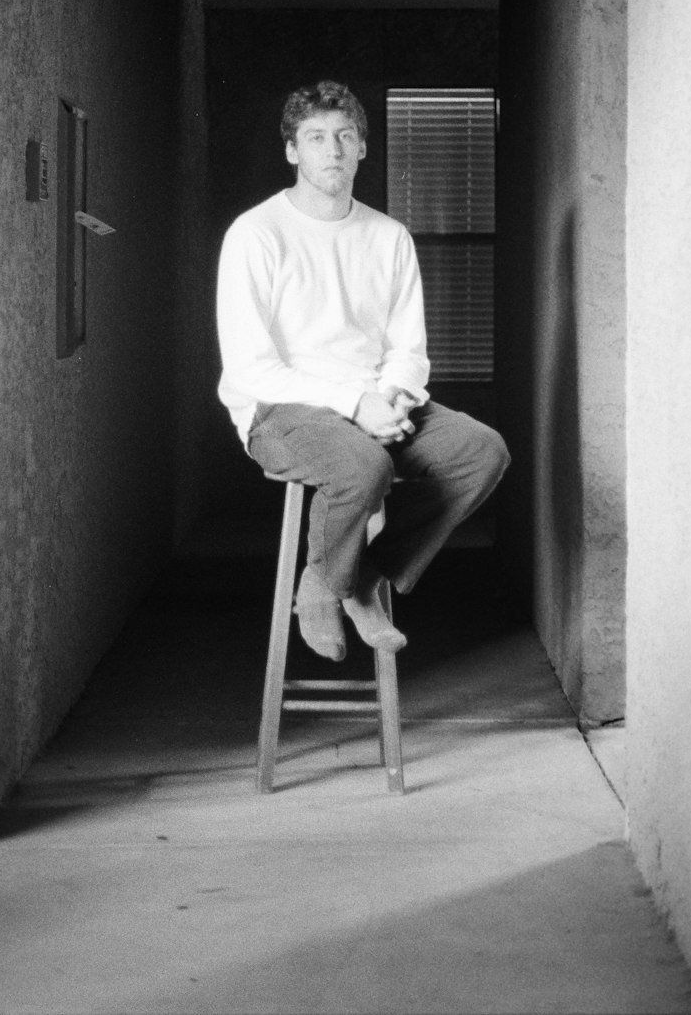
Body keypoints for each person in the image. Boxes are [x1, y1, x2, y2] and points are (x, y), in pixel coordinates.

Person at [216, 79, 510, 661]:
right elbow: (252, 367)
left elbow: (408, 346)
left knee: (483, 452)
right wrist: (356, 405)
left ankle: (364, 573)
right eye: (316, 137)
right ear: (292, 151)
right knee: (364, 464)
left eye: (345, 137)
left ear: (362, 149)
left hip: (376, 399)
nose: (333, 150)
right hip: (280, 409)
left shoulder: (388, 236)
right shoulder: (257, 233)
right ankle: (323, 587)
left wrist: (397, 394)